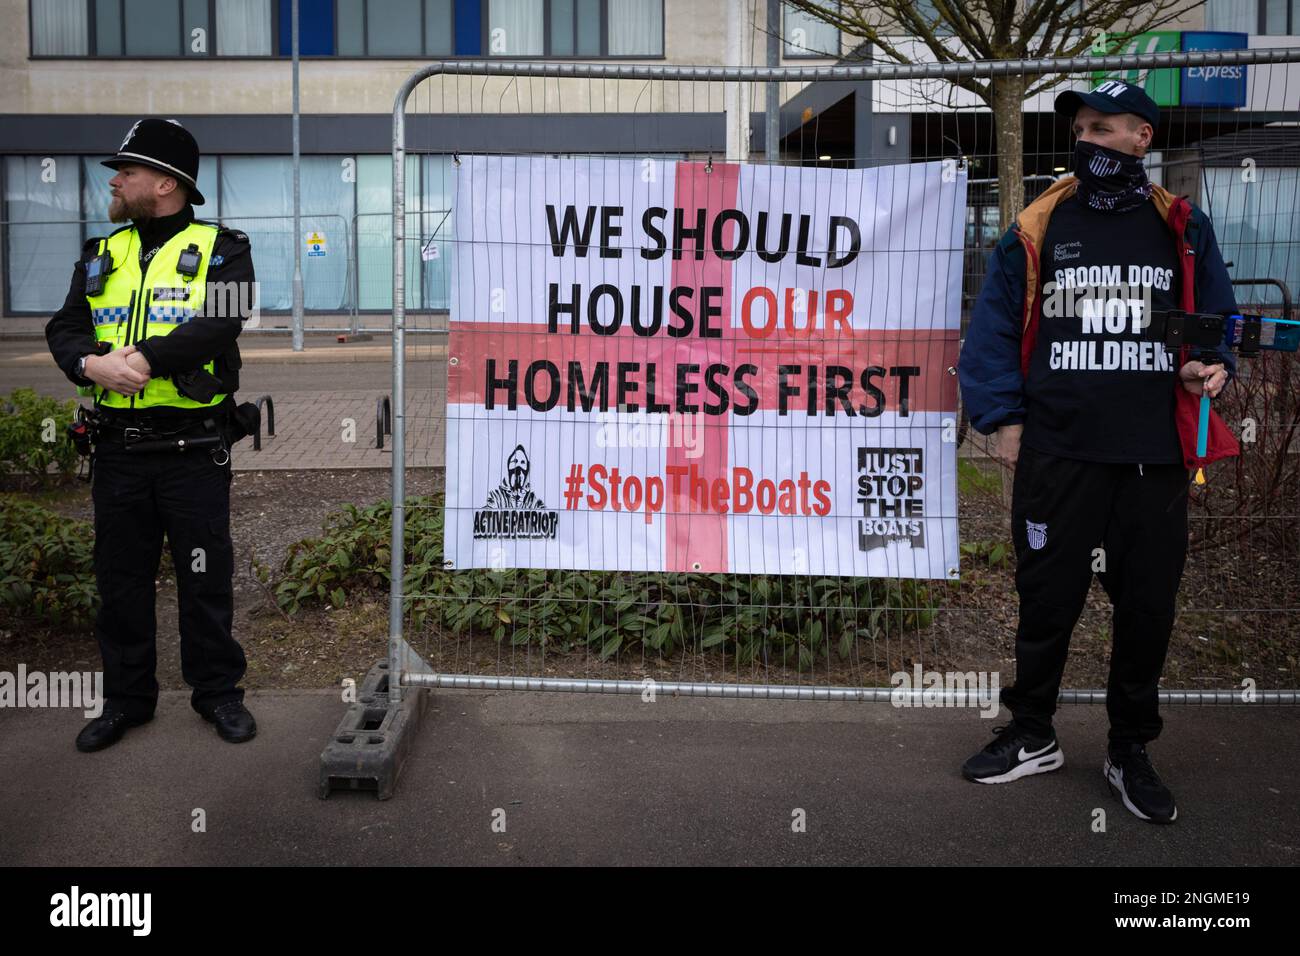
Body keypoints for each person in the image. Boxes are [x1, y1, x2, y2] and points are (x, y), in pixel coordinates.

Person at [956, 81, 1240, 823]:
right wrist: (1004, 420)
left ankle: (1129, 749)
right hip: (1058, 452)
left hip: (1155, 456)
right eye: (1081, 126)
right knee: (1046, 601)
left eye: (1104, 127)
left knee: (1146, 608)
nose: (1088, 138)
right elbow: (990, 332)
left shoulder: (1182, 225)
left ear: (1142, 138)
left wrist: (1213, 363)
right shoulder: (1039, 223)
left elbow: (1218, 320)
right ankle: (1031, 732)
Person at [45, 118, 258, 751]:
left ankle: (218, 694)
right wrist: (90, 364)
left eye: (127, 171)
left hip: (193, 449)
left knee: (204, 579)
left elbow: (222, 320)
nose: (115, 180)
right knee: (121, 583)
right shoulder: (101, 252)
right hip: (116, 450)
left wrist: (139, 358)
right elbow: (65, 327)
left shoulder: (225, 248)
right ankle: (127, 702)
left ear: (165, 183)